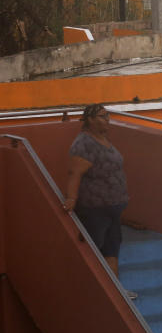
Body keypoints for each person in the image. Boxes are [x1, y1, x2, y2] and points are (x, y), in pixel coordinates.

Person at [63, 104, 131, 284]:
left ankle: (115, 291)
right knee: (95, 251)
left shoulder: (103, 138)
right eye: (102, 116)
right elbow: (74, 173)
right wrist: (71, 198)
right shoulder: (83, 144)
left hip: (113, 208)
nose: (107, 119)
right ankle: (94, 289)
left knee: (112, 250)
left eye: (107, 115)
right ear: (90, 120)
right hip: (95, 209)